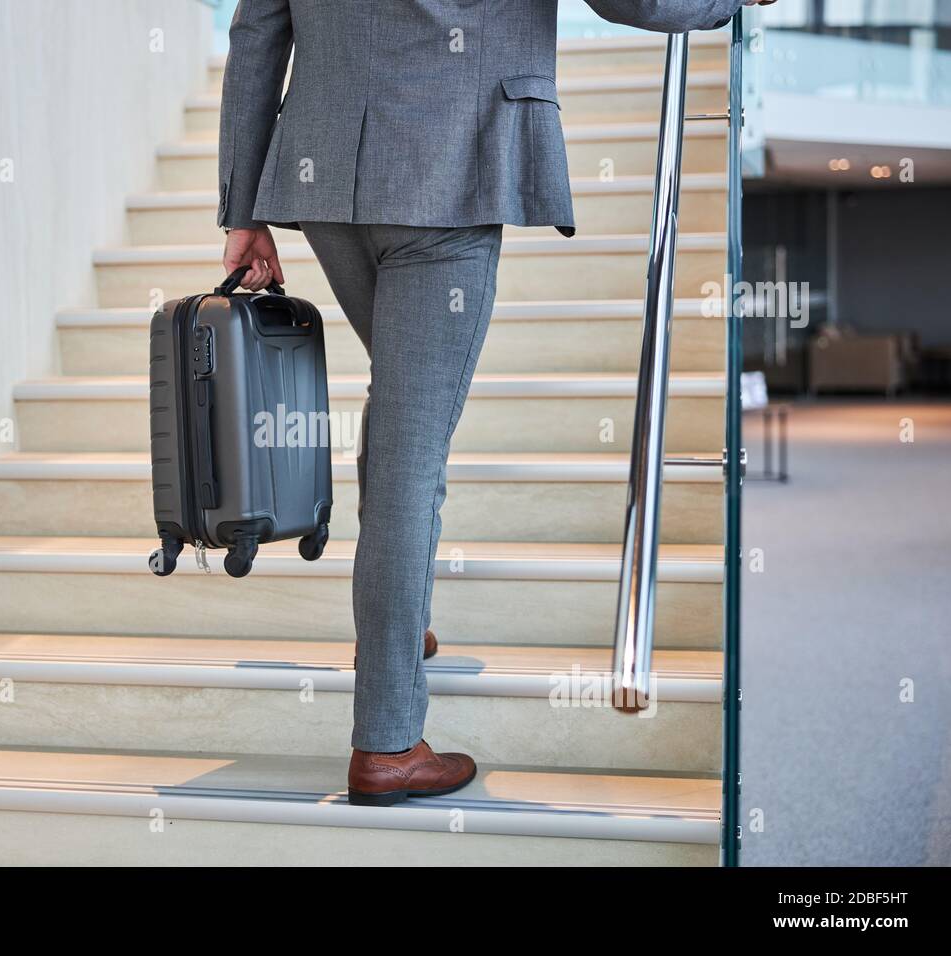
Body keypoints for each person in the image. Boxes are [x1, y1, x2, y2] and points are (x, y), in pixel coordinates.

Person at [217, 0, 765, 806]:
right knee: (411, 448)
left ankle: (394, 636)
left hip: (327, 173)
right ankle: (389, 742)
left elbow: (259, 27)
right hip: (449, 164)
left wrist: (242, 210)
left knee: (403, 419)